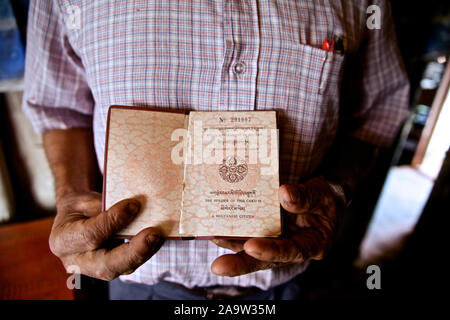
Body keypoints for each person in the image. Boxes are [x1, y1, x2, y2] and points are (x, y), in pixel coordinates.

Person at [23, 0, 409, 300]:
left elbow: (377, 110)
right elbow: (61, 108)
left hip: (288, 284)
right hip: (139, 286)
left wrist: (338, 189)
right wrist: (71, 196)